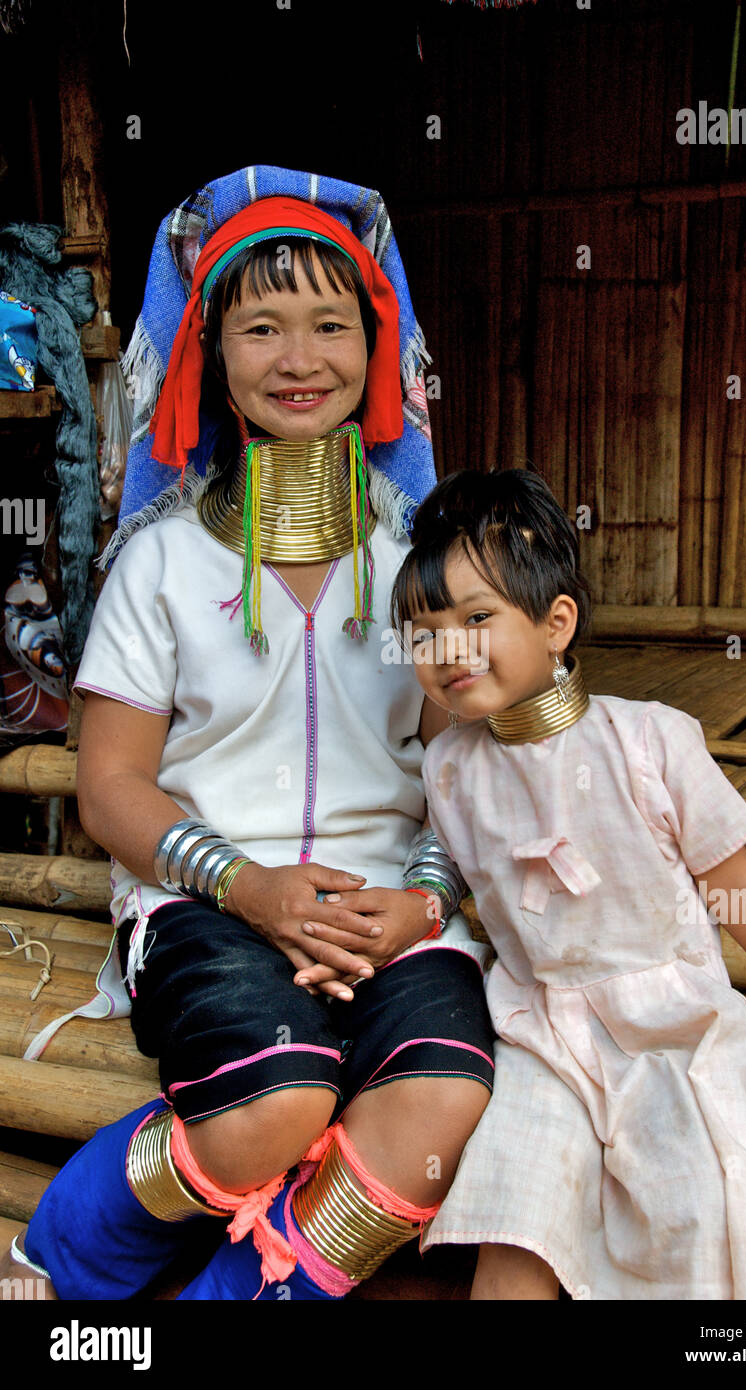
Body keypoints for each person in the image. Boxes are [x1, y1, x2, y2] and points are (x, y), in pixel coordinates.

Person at [3, 168, 494, 1302]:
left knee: (444, 1098)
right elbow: (113, 787)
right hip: (203, 902)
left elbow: (471, 765)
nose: (300, 357)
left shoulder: (433, 563)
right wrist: (250, 889)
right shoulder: (162, 564)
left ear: (376, 348)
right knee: (277, 1098)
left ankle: (240, 1297)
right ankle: (64, 1256)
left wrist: (423, 900)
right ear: (208, 355)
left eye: (332, 323)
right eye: (261, 326)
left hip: (394, 907)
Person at [390, 467, 746, 1300]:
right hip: (540, 1036)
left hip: (671, 1033)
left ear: (556, 623)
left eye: (476, 618)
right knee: (516, 1213)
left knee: (693, 1224)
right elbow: (448, 879)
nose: (449, 650)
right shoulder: (449, 768)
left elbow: (739, 891)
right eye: (424, 633)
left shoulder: (649, 742)